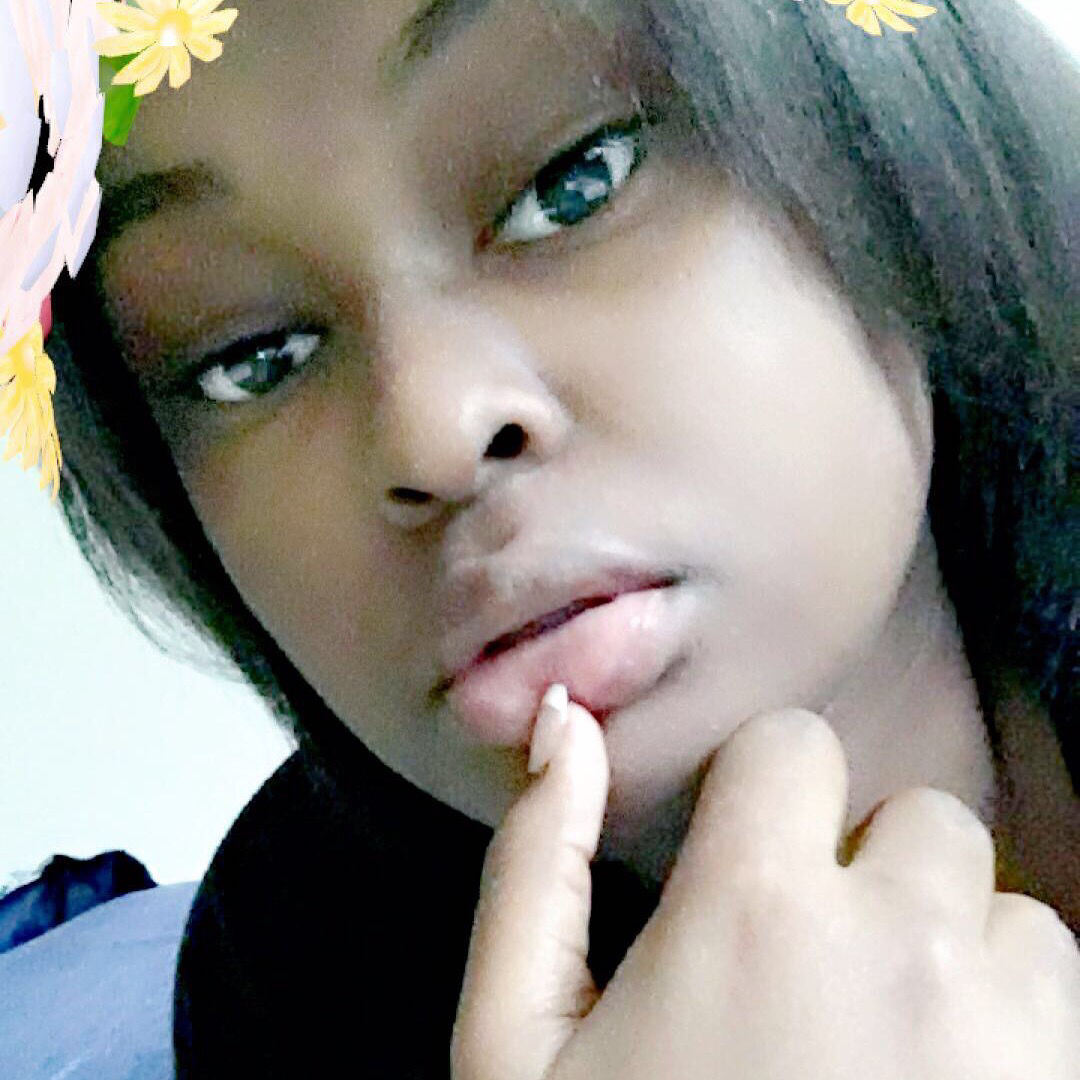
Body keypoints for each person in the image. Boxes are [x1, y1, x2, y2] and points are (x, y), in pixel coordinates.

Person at [39, 0, 1077, 1075]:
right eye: (252, 358)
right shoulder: (296, 965)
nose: (433, 430)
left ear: (894, 144)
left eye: (576, 182)